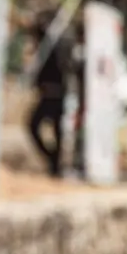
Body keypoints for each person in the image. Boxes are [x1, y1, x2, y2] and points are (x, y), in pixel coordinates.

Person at [27, 9, 75, 177]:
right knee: (53, 130)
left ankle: (55, 162)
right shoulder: (57, 41)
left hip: (53, 92)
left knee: (37, 126)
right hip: (54, 92)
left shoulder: (56, 42)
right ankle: (54, 161)